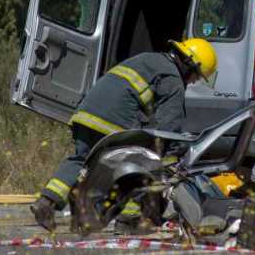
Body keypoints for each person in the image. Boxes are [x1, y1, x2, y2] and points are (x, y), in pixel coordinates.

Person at [30, 38, 218, 232]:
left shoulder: (148, 59)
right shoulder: (173, 80)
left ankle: (46, 203)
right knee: (139, 164)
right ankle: (128, 220)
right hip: (114, 121)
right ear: (189, 64)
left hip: (85, 113)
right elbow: (168, 129)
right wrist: (169, 160)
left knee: (81, 160)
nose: (193, 81)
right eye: (196, 76)